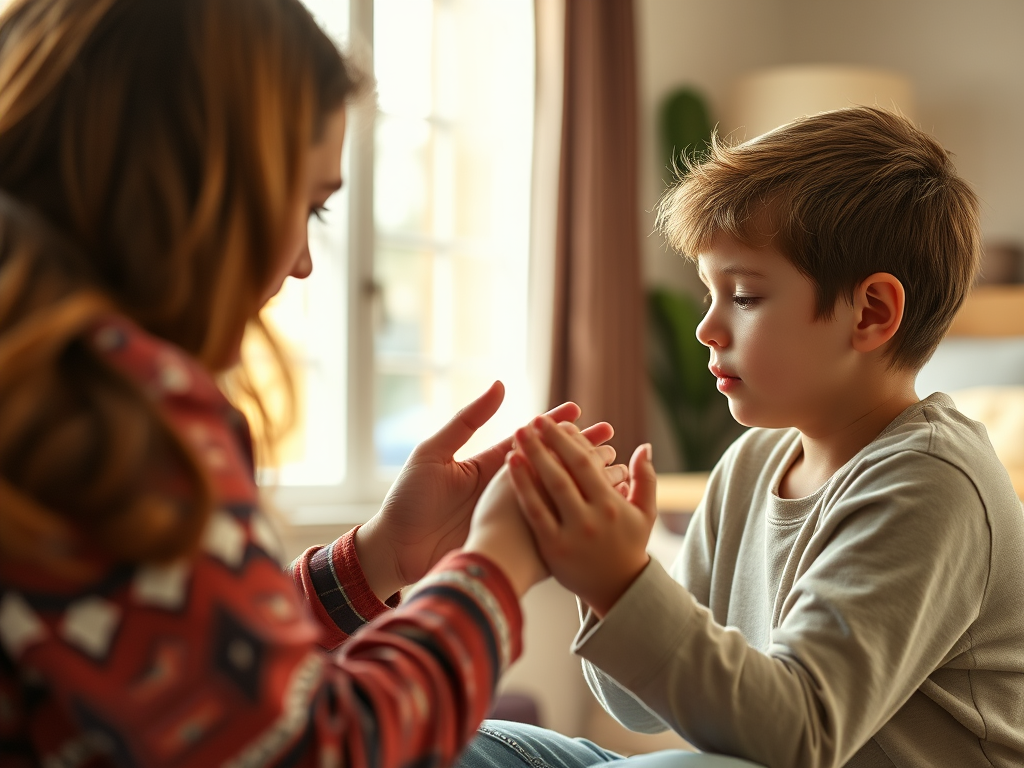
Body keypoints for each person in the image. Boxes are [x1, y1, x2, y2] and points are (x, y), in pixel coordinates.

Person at [0, 1, 624, 766]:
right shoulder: (110, 411)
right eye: (309, 207)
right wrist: (499, 560)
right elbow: (319, 750)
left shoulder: (33, 379)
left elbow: (184, 675)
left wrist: (379, 559)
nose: (301, 262)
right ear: (191, 178)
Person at [459, 107, 1024, 768]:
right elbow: (640, 706)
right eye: (709, 294)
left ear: (870, 313)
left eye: (745, 297)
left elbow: (799, 735)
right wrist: (602, 579)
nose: (707, 328)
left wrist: (623, 582)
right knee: (467, 748)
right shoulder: (753, 462)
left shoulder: (931, 485)